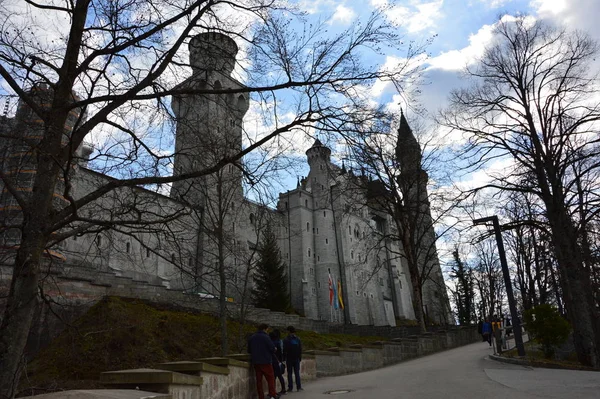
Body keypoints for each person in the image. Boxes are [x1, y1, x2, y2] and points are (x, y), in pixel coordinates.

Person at [248, 323, 278, 399]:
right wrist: (274, 349)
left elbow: (249, 350)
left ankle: (261, 396)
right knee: (270, 379)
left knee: (259, 380)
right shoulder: (266, 337)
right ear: (265, 329)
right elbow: (272, 348)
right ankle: (272, 395)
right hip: (266, 361)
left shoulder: (252, 337)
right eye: (267, 329)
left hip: (256, 362)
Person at [283, 325, 303, 392]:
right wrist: (299, 357)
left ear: (289, 331)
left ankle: (290, 387)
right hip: (296, 358)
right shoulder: (298, 339)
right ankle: (299, 387)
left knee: (289, 373)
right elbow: (300, 349)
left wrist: (284, 358)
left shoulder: (286, 339)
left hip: (289, 358)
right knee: (297, 373)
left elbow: (284, 350)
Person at [270, 329, 286, 395]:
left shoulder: (272, 342)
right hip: (278, 361)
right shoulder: (279, 342)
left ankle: (273, 391)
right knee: (279, 376)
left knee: (274, 376)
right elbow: (281, 352)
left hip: (274, 361)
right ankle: (283, 389)